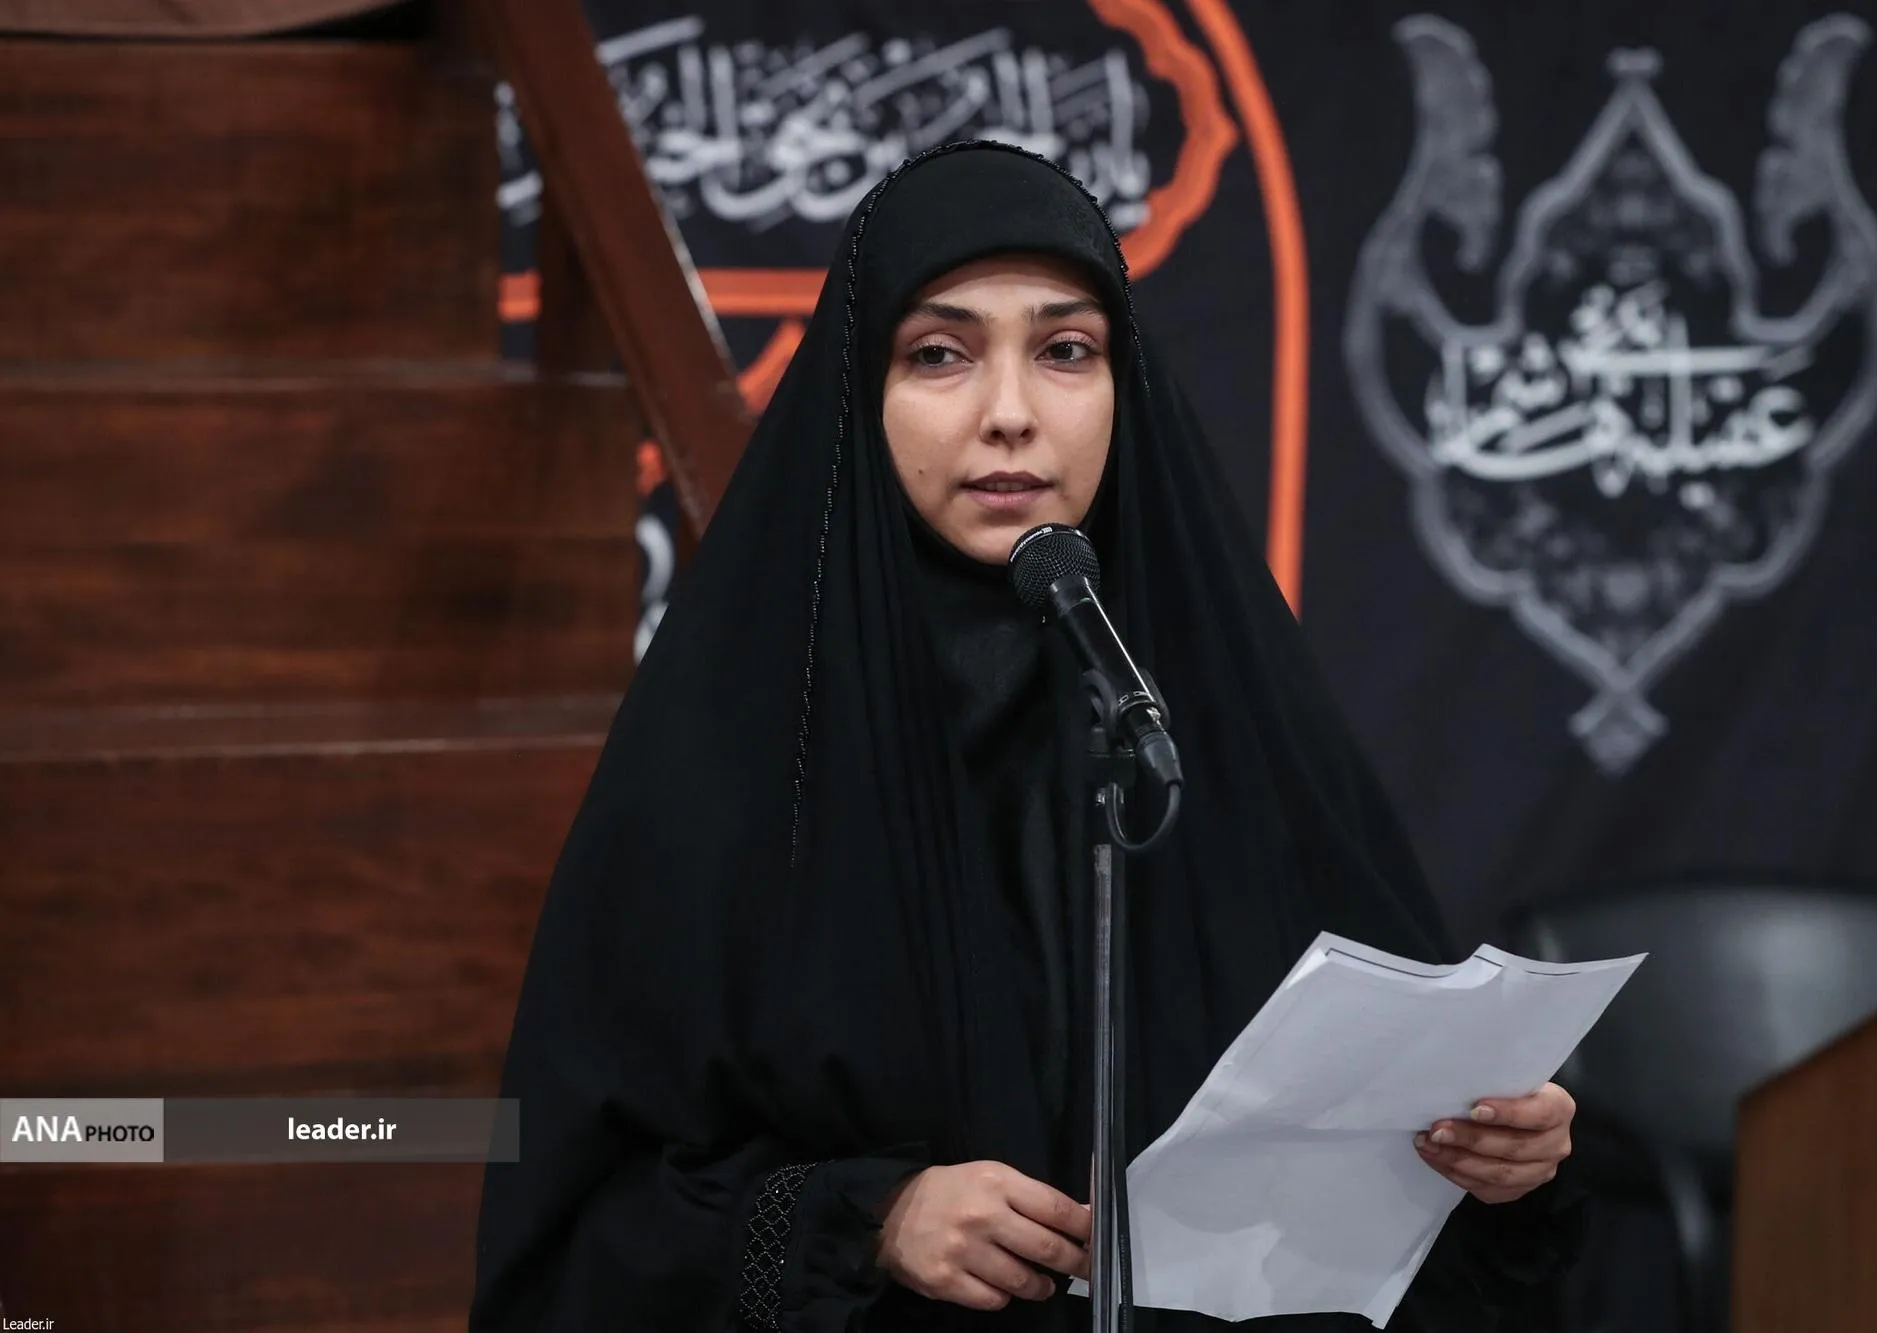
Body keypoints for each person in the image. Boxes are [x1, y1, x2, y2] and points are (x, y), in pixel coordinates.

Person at [470, 141, 1586, 1333]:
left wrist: (1500, 1159)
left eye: (1064, 351)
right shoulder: (738, 758)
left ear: (1122, 386)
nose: (1009, 415)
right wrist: (869, 1220)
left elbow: (1404, 1166)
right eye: (938, 354)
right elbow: (577, 1228)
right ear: (860, 391)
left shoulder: (1208, 717)